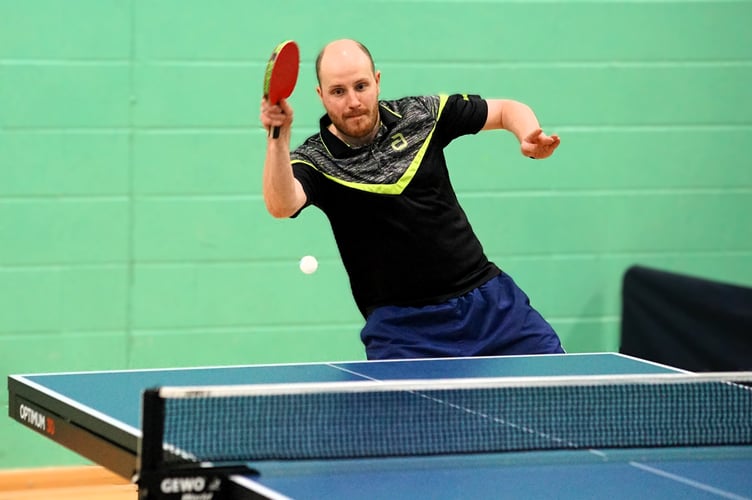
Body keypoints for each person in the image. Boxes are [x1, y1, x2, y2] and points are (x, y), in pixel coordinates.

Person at [260, 39, 564, 360]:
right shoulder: (316, 159)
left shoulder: (420, 115)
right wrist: (278, 137)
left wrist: (528, 133)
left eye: (361, 86)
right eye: (338, 91)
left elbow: (505, 110)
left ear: (377, 82)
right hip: (403, 331)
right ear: (321, 95)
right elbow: (282, 205)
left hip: (490, 307)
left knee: (566, 392)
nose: (353, 101)